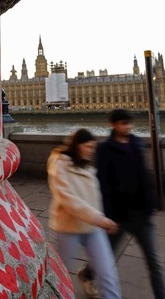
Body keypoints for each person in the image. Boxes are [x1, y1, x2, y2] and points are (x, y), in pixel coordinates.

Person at [83, 108, 165, 299]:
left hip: (141, 213)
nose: (127, 126)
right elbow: (103, 184)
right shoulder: (105, 149)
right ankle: (88, 273)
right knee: (106, 257)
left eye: (129, 123)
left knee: (154, 261)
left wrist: (151, 201)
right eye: (123, 123)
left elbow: (144, 176)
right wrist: (107, 215)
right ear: (113, 125)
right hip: (119, 215)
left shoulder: (136, 144)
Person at [47, 128, 122, 299]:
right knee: (59, 274)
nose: (91, 151)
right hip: (67, 229)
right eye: (87, 147)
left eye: (92, 147)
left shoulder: (87, 164)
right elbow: (67, 199)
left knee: (107, 273)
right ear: (76, 145)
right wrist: (99, 218)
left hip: (93, 228)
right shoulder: (59, 163)